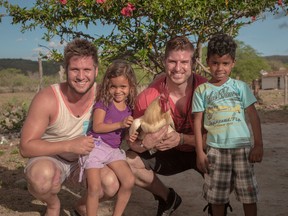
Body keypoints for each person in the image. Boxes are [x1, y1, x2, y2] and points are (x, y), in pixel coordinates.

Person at [20, 38, 119, 216]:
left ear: (96, 70)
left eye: (87, 69)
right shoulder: (47, 98)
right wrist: (68, 145)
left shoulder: (104, 95)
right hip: (51, 157)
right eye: (75, 69)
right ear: (65, 70)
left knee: (110, 184)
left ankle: (81, 206)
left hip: (87, 159)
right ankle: (53, 205)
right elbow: (26, 147)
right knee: (41, 179)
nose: (81, 76)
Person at [126, 35, 207, 216]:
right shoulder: (147, 96)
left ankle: (218, 205)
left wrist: (182, 139)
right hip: (166, 153)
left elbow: (222, 137)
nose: (178, 68)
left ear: (193, 62)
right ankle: (168, 198)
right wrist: (143, 145)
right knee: (127, 162)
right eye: (172, 61)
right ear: (164, 61)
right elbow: (132, 141)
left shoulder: (207, 91)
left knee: (225, 159)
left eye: (184, 62)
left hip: (201, 149)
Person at [192, 33, 263, 216]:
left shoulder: (240, 87)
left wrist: (258, 145)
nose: (220, 68)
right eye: (215, 63)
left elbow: (253, 116)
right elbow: (197, 121)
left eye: (225, 63)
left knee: (248, 194)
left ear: (233, 63)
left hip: (242, 150)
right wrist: (200, 152)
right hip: (215, 150)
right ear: (208, 61)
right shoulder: (202, 90)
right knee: (216, 197)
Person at [79, 60, 136, 216]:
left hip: (113, 150)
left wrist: (130, 135)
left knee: (129, 181)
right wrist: (120, 123)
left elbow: (122, 133)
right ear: (107, 86)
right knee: (94, 188)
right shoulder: (104, 102)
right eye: (113, 86)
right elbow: (97, 127)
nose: (118, 91)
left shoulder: (129, 107)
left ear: (131, 87)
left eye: (123, 87)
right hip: (96, 146)